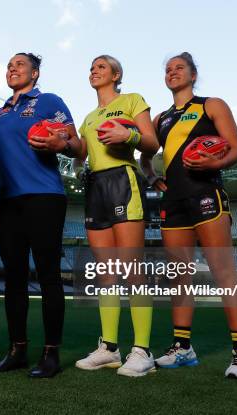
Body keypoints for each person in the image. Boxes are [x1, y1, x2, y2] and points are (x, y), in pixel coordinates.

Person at [141, 52, 237, 380]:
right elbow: (145, 156)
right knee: (179, 277)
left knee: (224, 274)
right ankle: (182, 349)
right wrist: (151, 178)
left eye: (179, 68)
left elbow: (236, 148)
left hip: (207, 196)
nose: (172, 72)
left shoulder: (211, 105)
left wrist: (213, 164)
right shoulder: (160, 119)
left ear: (193, 74)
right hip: (173, 203)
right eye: (168, 69)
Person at [0, 53, 81, 378]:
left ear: (35, 73)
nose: (12, 68)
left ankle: (51, 353)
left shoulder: (48, 101)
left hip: (44, 196)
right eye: (9, 64)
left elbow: (78, 146)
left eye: (20, 64)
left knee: (48, 274)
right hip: (6, 201)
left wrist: (61, 142)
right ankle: (17, 350)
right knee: (13, 278)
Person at [72, 55, 160, 377]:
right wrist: (61, 142)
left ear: (116, 74)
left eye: (101, 67)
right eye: (91, 67)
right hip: (95, 186)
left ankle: (143, 351)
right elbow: (80, 151)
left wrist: (129, 137)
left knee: (131, 268)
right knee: (106, 273)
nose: (94, 70)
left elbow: (151, 141)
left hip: (123, 180)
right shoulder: (88, 118)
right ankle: (109, 349)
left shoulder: (132, 100)